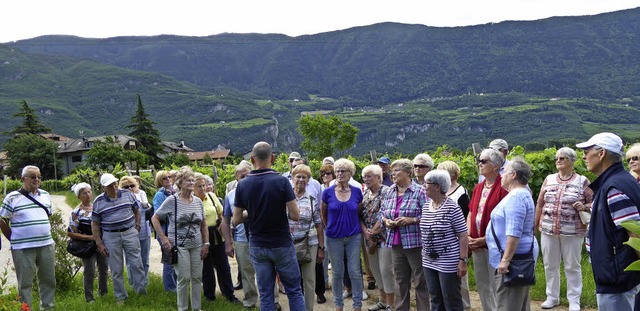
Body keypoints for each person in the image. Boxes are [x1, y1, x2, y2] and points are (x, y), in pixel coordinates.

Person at [233, 142, 305, 311]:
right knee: (294, 291)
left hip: (258, 244)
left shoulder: (242, 185)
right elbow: (295, 215)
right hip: (282, 244)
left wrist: (253, 212)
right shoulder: (282, 181)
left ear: (252, 159)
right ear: (272, 158)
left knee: (266, 294)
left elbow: (236, 220)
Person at [576, 133, 640, 311]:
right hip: (616, 276)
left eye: (587, 151)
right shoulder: (620, 181)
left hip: (617, 280)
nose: (583, 156)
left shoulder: (613, 187)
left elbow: (635, 234)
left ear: (601, 153)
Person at [534, 147, 593, 311]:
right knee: (549, 264)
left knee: (572, 265)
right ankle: (552, 297)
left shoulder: (582, 181)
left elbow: (594, 202)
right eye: (557, 158)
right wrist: (536, 223)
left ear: (572, 161)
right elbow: (540, 203)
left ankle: (574, 300)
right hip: (548, 230)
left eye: (562, 158)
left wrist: (584, 206)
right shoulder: (549, 179)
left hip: (573, 232)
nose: (558, 161)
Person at [152, 167, 210, 311]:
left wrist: (206, 243)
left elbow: (203, 224)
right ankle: (182, 308)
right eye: (187, 180)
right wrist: (164, 238)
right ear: (179, 182)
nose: (191, 182)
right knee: (183, 277)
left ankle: (197, 308)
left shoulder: (197, 201)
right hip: (179, 246)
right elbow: (155, 218)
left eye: (192, 180)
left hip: (197, 244)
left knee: (197, 277)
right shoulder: (172, 201)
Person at [486, 157, 539, 311]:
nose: (501, 175)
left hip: (513, 262)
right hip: (519, 258)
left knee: (508, 305)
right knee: (519, 304)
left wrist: (505, 260)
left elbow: (514, 233)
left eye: (505, 172)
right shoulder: (522, 194)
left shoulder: (516, 197)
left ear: (513, 175)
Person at [0, 165, 56, 310]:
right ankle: (26, 309)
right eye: (33, 177)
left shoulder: (45, 195)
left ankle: (47, 307)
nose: (36, 179)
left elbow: (46, 216)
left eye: (38, 177)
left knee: (48, 280)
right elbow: (2, 220)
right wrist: (13, 238)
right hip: (23, 248)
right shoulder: (12, 197)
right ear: (22, 179)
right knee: (25, 283)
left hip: (46, 244)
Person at [380, 159, 430, 311]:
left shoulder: (420, 191)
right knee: (400, 281)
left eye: (396, 171)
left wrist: (413, 220)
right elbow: (382, 213)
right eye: (393, 171)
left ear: (408, 173)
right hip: (395, 243)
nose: (393, 174)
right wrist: (386, 221)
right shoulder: (389, 191)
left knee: (420, 281)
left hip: (415, 243)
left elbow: (429, 215)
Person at [91, 173, 146, 305]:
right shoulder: (98, 201)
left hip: (129, 232)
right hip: (111, 236)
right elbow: (95, 223)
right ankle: (120, 297)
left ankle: (141, 293)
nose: (114, 187)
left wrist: (137, 226)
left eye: (115, 183)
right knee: (116, 268)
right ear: (104, 187)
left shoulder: (128, 194)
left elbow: (137, 210)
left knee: (137, 264)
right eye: (110, 185)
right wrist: (99, 243)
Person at [421, 169, 469, 311]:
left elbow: (463, 235)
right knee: (435, 299)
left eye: (427, 183)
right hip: (428, 261)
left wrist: (463, 261)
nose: (424, 186)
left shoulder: (452, 208)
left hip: (448, 262)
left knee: (451, 300)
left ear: (437, 187)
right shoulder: (426, 206)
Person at [321, 158, 365, 311]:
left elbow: (358, 212)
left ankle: (357, 305)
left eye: (343, 170)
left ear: (350, 173)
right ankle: (338, 305)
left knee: (354, 271)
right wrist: (329, 228)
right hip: (334, 238)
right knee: (337, 272)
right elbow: (323, 213)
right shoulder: (327, 192)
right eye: (337, 170)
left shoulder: (357, 192)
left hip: (353, 236)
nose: (339, 173)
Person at [468, 148, 508, 311]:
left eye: (484, 161)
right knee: (482, 283)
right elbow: (471, 212)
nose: (480, 164)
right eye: (479, 160)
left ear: (496, 166)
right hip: (476, 244)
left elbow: (506, 221)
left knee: (497, 284)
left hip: (494, 245)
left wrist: (485, 239)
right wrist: (469, 235)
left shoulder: (504, 188)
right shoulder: (478, 187)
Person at [194, 173, 240, 303]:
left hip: (216, 235)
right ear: (193, 188)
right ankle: (209, 296)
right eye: (199, 186)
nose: (203, 188)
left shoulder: (212, 197)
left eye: (204, 185)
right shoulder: (193, 201)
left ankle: (229, 294)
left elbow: (221, 213)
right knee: (207, 268)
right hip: (202, 236)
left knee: (223, 266)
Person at [222, 164, 259, 309]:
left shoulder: (260, 191)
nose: (244, 179)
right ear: (236, 178)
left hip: (260, 237)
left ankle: (272, 300)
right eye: (241, 176)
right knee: (246, 272)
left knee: (267, 270)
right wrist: (228, 243)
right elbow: (225, 221)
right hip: (241, 239)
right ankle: (250, 300)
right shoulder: (230, 196)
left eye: (247, 175)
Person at [437, 160, 472, 310]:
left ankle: (464, 305)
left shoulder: (461, 192)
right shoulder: (441, 191)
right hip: (442, 241)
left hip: (457, 240)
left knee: (460, 276)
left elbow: (464, 218)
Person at [290, 164, 325, 311]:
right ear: (292, 178)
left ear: (308, 180)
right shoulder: (286, 198)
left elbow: (318, 225)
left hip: (310, 244)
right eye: (298, 176)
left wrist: (321, 248)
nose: (301, 180)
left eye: (304, 177)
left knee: (309, 280)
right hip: (289, 245)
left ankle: (308, 308)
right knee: (292, 280)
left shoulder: (312, 200)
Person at [360, 164, 394, 311]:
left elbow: (387, 213)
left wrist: (372, 231)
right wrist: (365, 232)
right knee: (375, 270)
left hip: (385, 237)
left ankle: (391, 304)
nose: (366, 179)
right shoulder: (365, 195)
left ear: (379, 177)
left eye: (369, 176)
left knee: (386, 270)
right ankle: (382, 300)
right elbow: (360, 216)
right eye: (364, 176)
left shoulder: (387, 192)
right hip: (369, 239)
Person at [68, 182, 109, 303]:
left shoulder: (98, 207)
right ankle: (89, 297)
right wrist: (90, 238)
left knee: (104, 269)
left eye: (89, 192)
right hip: (87, 246)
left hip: (102, 243)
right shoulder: (76, 212)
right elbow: (70, 232)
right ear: (78, 196)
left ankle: (103, 293)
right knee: (89, 271)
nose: (88, 195)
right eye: (84, 193)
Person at [120, 175, 152, 289]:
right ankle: (133, 283)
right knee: (130, 260)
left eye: (132, 186)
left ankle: (144, 283)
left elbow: (149, 210)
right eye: (125, 187)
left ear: (136, 186)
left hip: (144, 232)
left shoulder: (141, 195)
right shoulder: (120, 200)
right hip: (129, 234)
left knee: (145, 259)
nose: (129, 188)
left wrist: (145, 204)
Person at [153, 169, 178, 292]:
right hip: (164, 230)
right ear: (159, 181)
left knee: (176, 259)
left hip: (174, 229)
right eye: (164, 178)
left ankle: (176, 286)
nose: (168, 179)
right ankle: (170, 289)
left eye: (169, 177)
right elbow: (158, 214)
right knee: (169, 260)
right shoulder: (160, 195)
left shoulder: (174, 192)